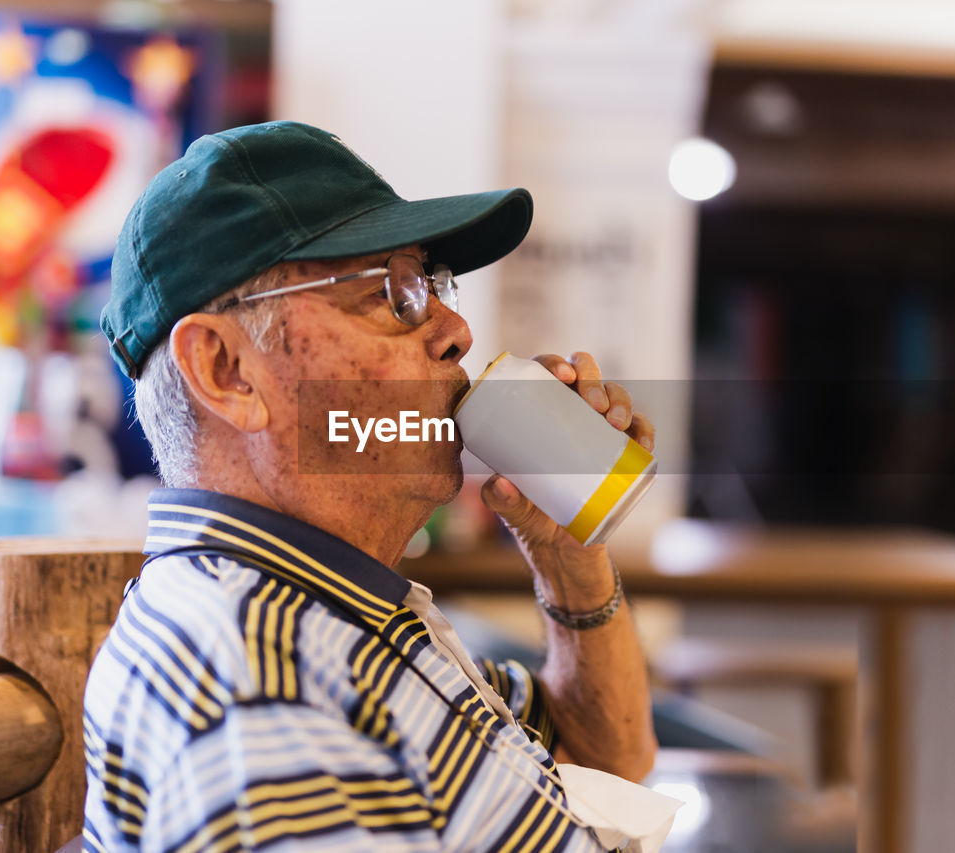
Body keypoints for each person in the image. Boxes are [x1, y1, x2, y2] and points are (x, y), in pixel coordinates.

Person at [83, 120, 664, 852]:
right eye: (395, 294)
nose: (456, 329)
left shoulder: (333, 602)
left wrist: (567, 551)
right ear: (227, 371)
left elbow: (610, 758)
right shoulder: (258, 691)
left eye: (431, 284)